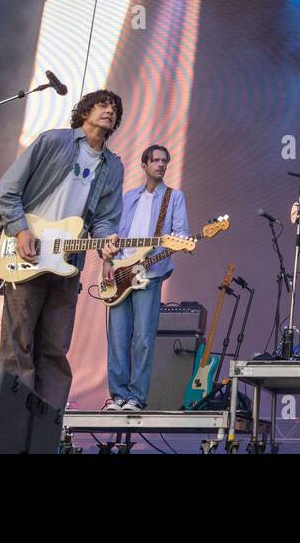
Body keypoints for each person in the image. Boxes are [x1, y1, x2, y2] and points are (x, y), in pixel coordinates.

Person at [0, 89, 124, 408]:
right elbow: (8, 189)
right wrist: (21, 230)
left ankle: (45, 426)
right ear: (84, 112)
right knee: (18, 346)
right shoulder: (53, 141)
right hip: (27, 253)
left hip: (68, 264)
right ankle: (12, 425)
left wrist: (107, 242)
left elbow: (106, 219)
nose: (109, 111)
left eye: (114, 109)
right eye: (102, 105)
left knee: (54, 349)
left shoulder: (113, 166)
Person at [104, 144, 189, 412]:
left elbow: (180, 236)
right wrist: (108, 261)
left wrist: (159, 255)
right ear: (144, 165)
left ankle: (136, 398)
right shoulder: (129, 197)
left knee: (142, 338)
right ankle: (117, 396)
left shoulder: (174, 198)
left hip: (150, 274)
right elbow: (114, 235)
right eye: (155, 160)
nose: (161, 165)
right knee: (117, 338)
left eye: (165, 160)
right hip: (119, 273)